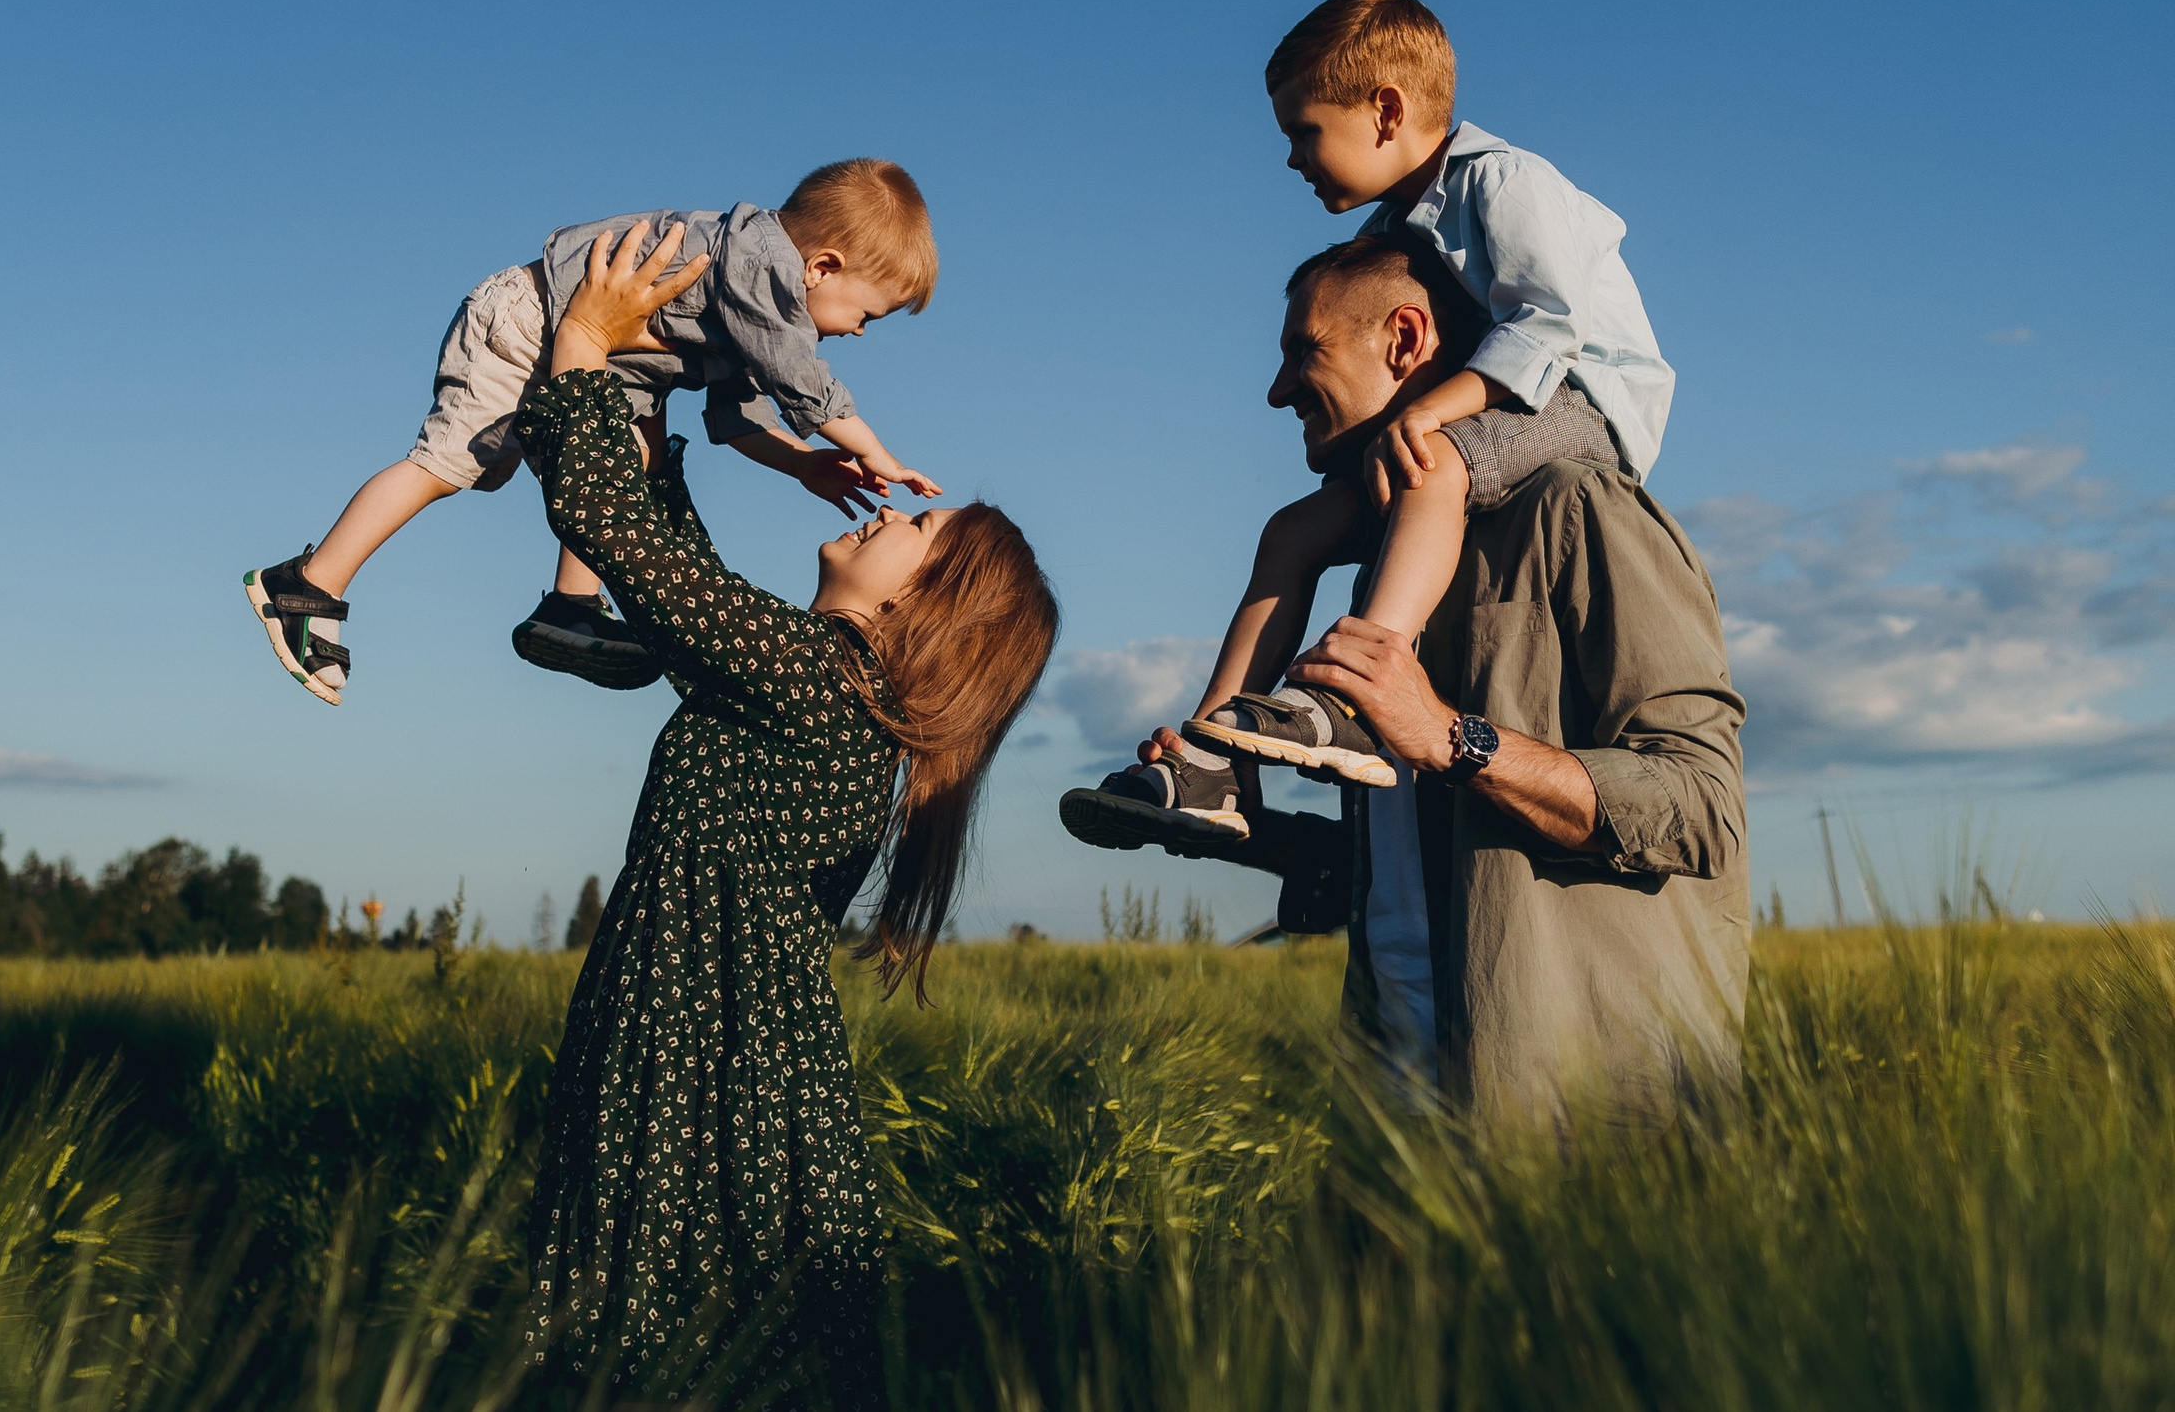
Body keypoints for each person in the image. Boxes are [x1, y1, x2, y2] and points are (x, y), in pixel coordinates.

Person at [513, 220, 1057, 1406]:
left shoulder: (813, 681)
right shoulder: (826, 688)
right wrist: (659, 431)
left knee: (644, 1334)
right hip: (732, 1046)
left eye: (918, 528)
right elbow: (681, 579)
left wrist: (580, 346)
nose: (889, 509)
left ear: (923, 614)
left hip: (688, 1042)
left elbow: (618, 538)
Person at [1065, 240, 1746, 1121]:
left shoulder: (1584, 511)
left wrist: (1451, 738)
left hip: (1577, 1122)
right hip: (1399, 1111)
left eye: (1304, 351)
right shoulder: (1382, 568)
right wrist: (1251, 831)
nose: (1276, 392)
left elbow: (1701, 811)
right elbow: (1427, 867)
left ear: (1405, 338)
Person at [1127, 0, 1676, 812]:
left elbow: (1550, 323)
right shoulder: (1384, 236)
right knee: (1297, 528)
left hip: (1581, 402)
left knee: (1435, 459)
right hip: (1488, 411)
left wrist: (1430, 410)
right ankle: (1213, 757)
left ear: (1386, 110)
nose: (1291, 158)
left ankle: (1351, 696)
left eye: (1304, 131)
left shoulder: (1503, 180)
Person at [242, 158, 945, 703]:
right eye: (867, 315)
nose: (857, 332)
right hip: (532, 318)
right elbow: (804, 382)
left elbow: (737, 419)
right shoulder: (763, 273)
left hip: (587, 351)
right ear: (823, 266)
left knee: (624, 471)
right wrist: (876, 452)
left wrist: (802, 465)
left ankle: (571, 607)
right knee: (448, 466)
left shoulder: (753, 313)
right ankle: (305, 584)